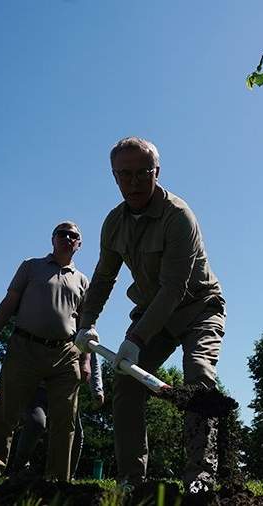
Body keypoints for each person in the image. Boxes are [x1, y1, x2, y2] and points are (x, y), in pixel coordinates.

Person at [73, 137, 225, 494]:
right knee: (126, 383)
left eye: (143, 173)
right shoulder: (113, 223)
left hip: (198, 308)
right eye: (124, 175)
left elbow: (173, 288)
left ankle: (200, 476)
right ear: (114, 177)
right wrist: (86, 322)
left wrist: (135, 339)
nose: (134, 182)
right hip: (151, 314)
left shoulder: (178, 217)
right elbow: (104, 278)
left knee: (198, 375)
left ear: (157, 172)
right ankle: (131, 480)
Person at [0, 221, 90, 482]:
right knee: (6, 412)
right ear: (52, 239)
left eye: (73, 235)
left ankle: (57, 482)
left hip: (65, 353)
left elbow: (86, 325)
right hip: (24, 347)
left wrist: (85, 361)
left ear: (79, 244)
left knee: (65, 420)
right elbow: (8, 304)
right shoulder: (31, 266)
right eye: (61, 233)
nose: (67, 238)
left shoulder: (83, 281)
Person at [9, 353, 104, 478]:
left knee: (75, 435)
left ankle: (65, 477)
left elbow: (92, 360)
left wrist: (97, 389)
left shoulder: (84, 334)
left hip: (65, 392)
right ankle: (19, 467)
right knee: (36, 423)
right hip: (39, 388)